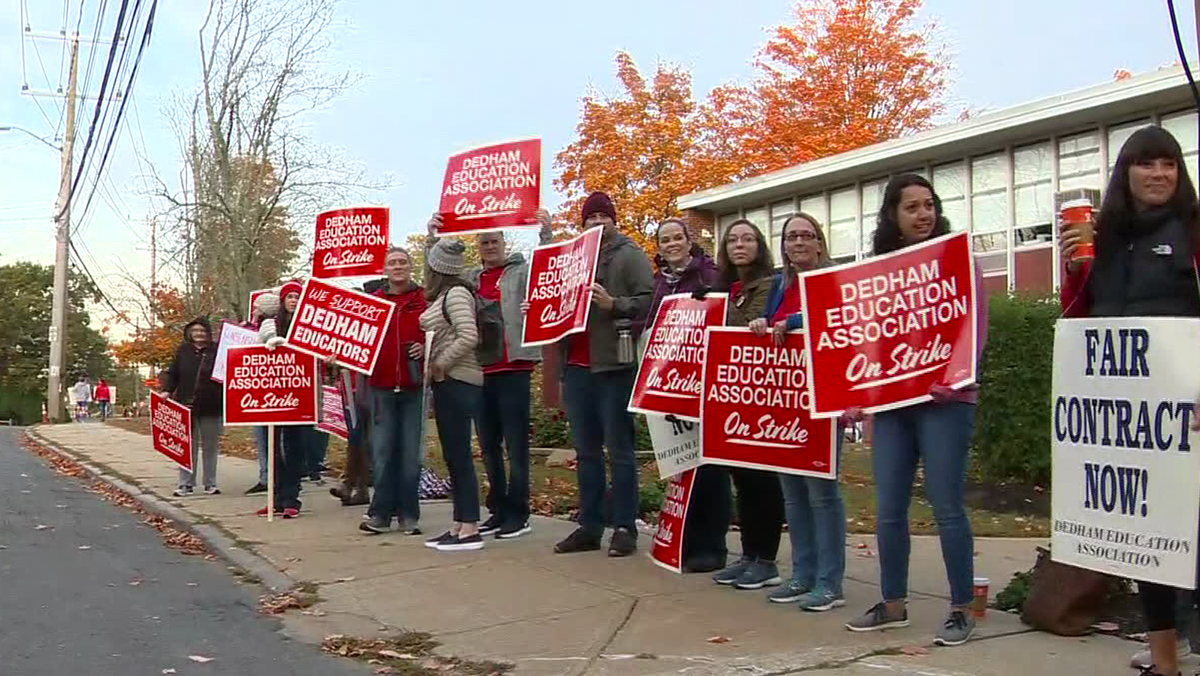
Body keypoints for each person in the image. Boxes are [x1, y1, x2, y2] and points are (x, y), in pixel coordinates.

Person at [1060, 126, 1200, 676]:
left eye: (1168, 164)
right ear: (1127, 173)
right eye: (1146, 164)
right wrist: (1075, 272)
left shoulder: (1193, 230)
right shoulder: (1105, 236)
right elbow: (1082, 320)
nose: (1158, 174)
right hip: (1128, 416)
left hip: (1187, 408)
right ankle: (1167, 655)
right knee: (1147, 531)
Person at [843, 174, 988, 648]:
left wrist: (955, 377)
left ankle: (961, 608)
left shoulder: (957, 259)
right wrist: (855, 396)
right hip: (893, 405)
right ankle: (893, 604)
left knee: (946, 507)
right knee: (888, 510)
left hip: (947, 402)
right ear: (892, 215)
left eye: (930, 205)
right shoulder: (877, 271)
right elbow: (861, 335)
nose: (924, 214)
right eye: (912, 207)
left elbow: (974, 322)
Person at [426, 210, 554, 540]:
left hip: (514, 365)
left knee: (516, 444)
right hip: (481, 369)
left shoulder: (519, 271)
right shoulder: (469, 279)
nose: (489, 246)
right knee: (488, 445)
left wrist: (546, 233)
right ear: (478, 247)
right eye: (483, 242)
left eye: (494, 241)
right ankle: (497, 509)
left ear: (503, 243)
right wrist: (432, 237)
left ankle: (519, 512)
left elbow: (548, 272)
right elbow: (438, 269)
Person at [749, 214, 847, 611]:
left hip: (823, 396)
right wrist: (762, 322)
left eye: (807, 236)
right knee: (792, 492)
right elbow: (773, 324)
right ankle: (802, 574)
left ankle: (829, 581)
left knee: (822, 492)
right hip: (785, 399)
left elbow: (834, 316)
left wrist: (793, 321)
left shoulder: (834, 279)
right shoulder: (779, 283)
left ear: (820, 244)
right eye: (791, 237)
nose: (799, 242)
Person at [548, 192, 655, 558]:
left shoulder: (630, 254)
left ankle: (624, 526)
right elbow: (552, 298)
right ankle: (590, 525)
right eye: (589, 218)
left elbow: (649, 300)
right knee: (587, 452)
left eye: (602, 216)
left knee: (620, 452)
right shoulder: (573, 257)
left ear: (614, 220)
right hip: (576, 367)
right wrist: (537, 308)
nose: (596, 223)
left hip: (614, 366)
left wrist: (614, 305)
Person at [705, 218, 786, 591]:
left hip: (763, 397)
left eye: (748, 239)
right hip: (732, 397)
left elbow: (779, 323)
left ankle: (767, 559)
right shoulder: (725, 290)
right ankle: (749, 554)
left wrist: (764, 324)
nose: (740, 245)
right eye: (733, 240)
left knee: (763, 481)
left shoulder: (771, 284)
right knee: (743, 480)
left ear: (760, 245)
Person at [645, 217, 725, 573]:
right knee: (681, 464)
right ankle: (686, 539)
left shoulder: (709, 274)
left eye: (678, 237)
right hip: (670, 385)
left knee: (710, 466)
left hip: (705, 382)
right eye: (666, 239)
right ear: (659, 247)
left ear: (689, 241)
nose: (673, 244)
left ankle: (713, 545)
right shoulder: (659, 282)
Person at [418, 238, 486, 552]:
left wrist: (441, 364)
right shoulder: (445, 295)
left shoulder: (457, 294)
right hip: (448, 381)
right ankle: (459, 523)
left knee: (459, 456)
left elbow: (469, 334)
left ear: (436, 267)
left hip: (459, 379)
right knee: (453, 456)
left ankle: (470, 527)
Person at [359, 247, 427, 535]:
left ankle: (409, 515)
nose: (398, 267)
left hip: (413, 388)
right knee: (383, 452)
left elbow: (440, 333)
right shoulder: (374, 303)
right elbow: (357, 338)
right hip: (382, 387)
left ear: (410, 267)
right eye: (392, 263)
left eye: (403, 262)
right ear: (384, 270)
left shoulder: (425, 300)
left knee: (411, 454)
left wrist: (426, 348)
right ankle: (381, 514)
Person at [258, 281, 307, 518]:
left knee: (293, 447)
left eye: (298, 297)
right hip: (272, 397)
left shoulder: (309, 325)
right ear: (283, 300)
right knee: (272, 448)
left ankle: (291, 498)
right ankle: (275, 497)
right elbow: (261, 344)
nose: (293, 301)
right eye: (290, 297)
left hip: (299, 396)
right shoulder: (270, 324)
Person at [163, 318, 223, 497]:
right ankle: (185, 484)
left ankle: (210, 483)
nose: (199, 334)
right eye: (195, 331)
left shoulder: (217, 350)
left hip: (212, 405)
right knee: (187, 447)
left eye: (202, 331)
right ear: (190, 333)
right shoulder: (183, 351)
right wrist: (167, 391)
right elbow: (173, 373)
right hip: (186, 404)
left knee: (210, 446)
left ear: (208, 333)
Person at [243, 292, 280, 495]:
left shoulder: (270, 327)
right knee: (264, 438)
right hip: (259, 391)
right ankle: (267, 477)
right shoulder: (254, 327)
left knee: (269, 439)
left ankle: (271, 479)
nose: (254, 310)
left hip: (269, 393)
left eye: (257, 307)